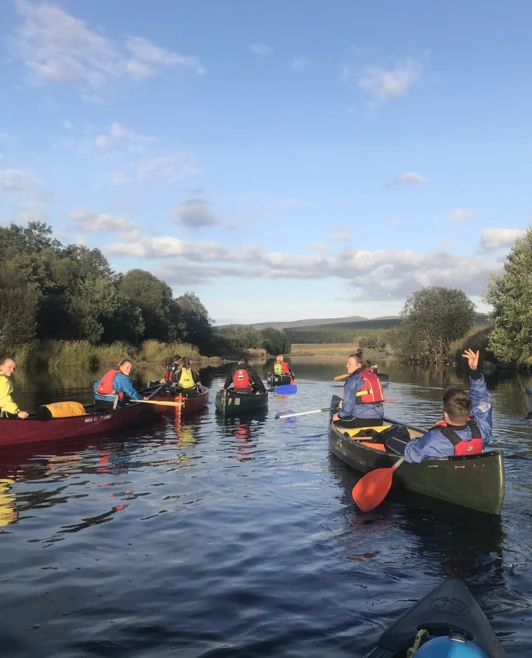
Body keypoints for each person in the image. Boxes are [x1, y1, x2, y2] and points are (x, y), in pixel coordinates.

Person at [387, 349, 492, 463]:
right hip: (471, 470)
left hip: (447, 472)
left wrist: (393, 439)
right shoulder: (482, 430)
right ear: (468, 411)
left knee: (389, 440)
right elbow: (481, 400)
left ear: (446, 415)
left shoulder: (434, 439)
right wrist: (474, 372)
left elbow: (412, 453)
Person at [332, 350, 384, 428]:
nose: (347, 365)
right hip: (378, 420)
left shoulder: (353, 380)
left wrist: (339, 415)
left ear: (359, 365)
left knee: (334, 417)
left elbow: (347, 408)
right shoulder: (374, 377)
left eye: (349, 363)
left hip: (360, 420)